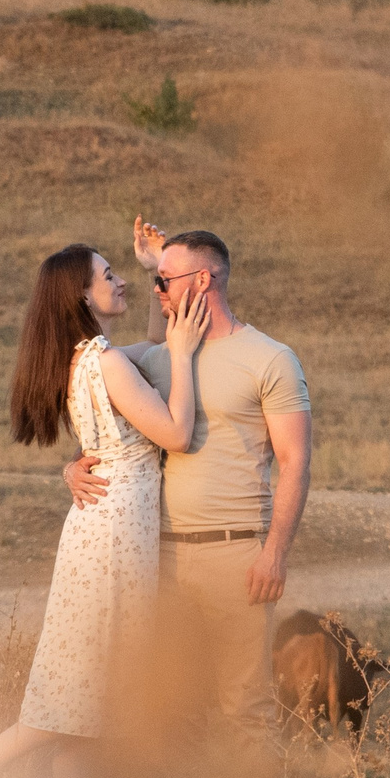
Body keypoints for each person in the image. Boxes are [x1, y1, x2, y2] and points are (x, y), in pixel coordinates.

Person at [0, 243, 209, 778]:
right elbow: (174, 431)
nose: (119, 282)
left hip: (100, 532)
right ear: (81, 296)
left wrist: (157, 276)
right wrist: (181, 352)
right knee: (84, 688)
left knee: (89, 692)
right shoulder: (105, 364)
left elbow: (146, 372)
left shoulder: (85, 360)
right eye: (109, 276)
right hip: (114, 540)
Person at [65, 220, 311, 738]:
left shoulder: (271, 359)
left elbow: (295, 461)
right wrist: (73, 462)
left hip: (236, 557)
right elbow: (90, 381)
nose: (154, 290)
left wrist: (274, 553)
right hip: (162, 558)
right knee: (172, 709)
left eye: (164, 281)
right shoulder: (159, 358)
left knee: (246, 713)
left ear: (204, 281)